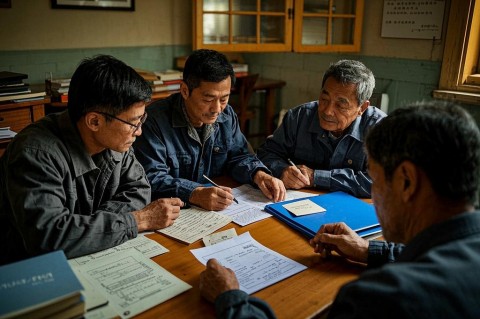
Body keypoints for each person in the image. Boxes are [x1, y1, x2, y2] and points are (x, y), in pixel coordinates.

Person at [199, 100, 480, 318]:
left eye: (376, 179)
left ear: (407, 181)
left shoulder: (380, 300)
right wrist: (369, 250)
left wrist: (231, 298)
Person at [0, 55, 184, 265]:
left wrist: (91, 230)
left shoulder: (116, 141)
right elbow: (50, 238)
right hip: (28, 268)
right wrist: (136, 220)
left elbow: (139, 189)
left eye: (142, 119)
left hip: (92, 257)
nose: (139, 131)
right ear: (94, 121)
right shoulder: (35, 153)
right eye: (134, 122)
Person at [133, 49, 285, 211]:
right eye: (208, 99)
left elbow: (239, 156)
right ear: (184, 90)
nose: (217, 109)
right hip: (176, 212)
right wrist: (194, 193)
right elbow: (152, 177)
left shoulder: (227, 115)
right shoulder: (154, 121)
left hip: (218, 208)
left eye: (224, 99)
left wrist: (258, 174)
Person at [257, 60, 387, 198]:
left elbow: (382, 183)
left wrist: (316, 177)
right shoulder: (299, 117)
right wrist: (282, 170)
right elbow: (266, 154)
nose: (327, 111)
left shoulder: (380, 129)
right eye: (324, 99)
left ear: (362, 108)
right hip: (298, 204)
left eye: (340, 105)